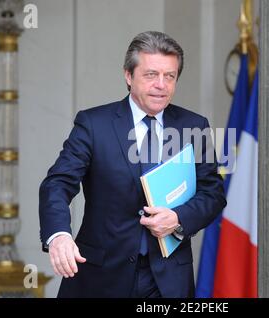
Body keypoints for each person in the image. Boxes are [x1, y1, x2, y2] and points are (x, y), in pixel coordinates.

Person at [39, 31, 226, 298]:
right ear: (129, 76)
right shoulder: (94, 124)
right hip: (101, 276)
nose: (161, 84)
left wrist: (178, 218)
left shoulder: (194, 126)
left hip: (168, 279)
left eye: (169, 76)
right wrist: (58, 234)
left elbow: (213, 194)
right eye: (151, 74)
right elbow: (57, 183)